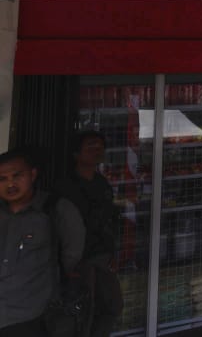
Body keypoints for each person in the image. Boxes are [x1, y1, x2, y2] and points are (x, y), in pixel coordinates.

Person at [0, 150, 85, 337]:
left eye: (17, 176)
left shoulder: (57, 209)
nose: (10, 184)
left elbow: (71, 257)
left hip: (33, 317)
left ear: (32, 174)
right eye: (2, 179)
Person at [54, 131, 124, 337]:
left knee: (112, 306)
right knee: (83, 311)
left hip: (101, 256)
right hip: (77, 260)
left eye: (100, 146)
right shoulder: (65, 187)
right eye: (91, 146)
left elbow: (109, 221)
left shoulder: (102, 184)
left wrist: (112, 252)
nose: (97, 150)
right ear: (76, 153)